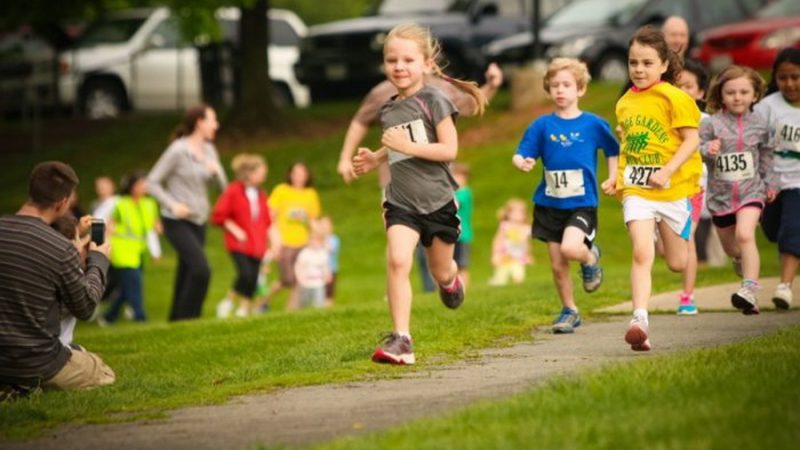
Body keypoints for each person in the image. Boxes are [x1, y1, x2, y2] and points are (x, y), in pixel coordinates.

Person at [353, 23, 485, 365]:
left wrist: (403, 145)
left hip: (439, 202)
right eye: (392, 60)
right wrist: (376, 157)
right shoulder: (388, 108)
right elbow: (398, 145)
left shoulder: (435, 100)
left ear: (426, 64)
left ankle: (450, 281)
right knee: (398, 260)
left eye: (408, 60)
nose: (399, 67)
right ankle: (402, 339)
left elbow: (449, 150)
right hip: (401, 201)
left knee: (440, 271)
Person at [512, 57, 619, 333]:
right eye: (555, 85)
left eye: (567, 85)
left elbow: (613, 150)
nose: (560, 90)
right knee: (558, 264)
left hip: (581, 204)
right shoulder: (541, 126)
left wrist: (614, 176)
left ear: (580, 89)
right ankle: (570, 310)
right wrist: (523, 162)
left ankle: (590, 258)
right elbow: (522, 153)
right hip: (549, 204)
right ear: (548, 90)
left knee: (572, 249)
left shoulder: (593, 124)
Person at [616, 26, 703, 351]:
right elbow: (628, 147)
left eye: (647, 63)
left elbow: (692, 139)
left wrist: (667, 170)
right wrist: (618, 178)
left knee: (677, 262)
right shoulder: (625, 103)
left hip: (673, 190)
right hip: (638, 191)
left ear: (664, 65)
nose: (639, 69)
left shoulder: (675, 97)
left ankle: (666, 233)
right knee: (641, 250)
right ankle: (639, 319)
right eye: (633, 62)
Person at [0, 161, 115, 393]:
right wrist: (98, 261)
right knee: (102, 371)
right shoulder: (59, 248)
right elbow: (86, 307)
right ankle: (26, 385)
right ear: (62, 202)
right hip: (37, 361)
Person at [701, 65, 775, 314]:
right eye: (731, 92)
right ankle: (740, 263)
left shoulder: (760, 124)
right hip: (720, 198)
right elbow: (696, 149)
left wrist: (769, 184)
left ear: (755, 95)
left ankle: (750, 290)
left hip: (750, 193)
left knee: (745, 235)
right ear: (721, 95)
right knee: (733, 248)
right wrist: (707, 149)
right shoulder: (712, 124)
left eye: (744, 92)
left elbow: (767, 153)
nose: (737, 97)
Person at [147, 104, 227, 321]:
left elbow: (223, 187)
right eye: (213, 120)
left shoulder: (210, 150)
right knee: (201, 270)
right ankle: (190, 319)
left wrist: (215, 172)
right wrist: (172, 205)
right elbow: (151, 182)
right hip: (176, 221)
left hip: (199, 221)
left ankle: (175, 321)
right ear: (200, 122)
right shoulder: (177, 150)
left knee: (186, 271)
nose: (216, 125)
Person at [757, 48, 800, 310]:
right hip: (772, 180)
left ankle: (784, 286)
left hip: (798, 181)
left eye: (796, 77)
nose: (790, 84)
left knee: (791, 230)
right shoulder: (767, 107)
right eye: (783, 78)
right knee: (772, 231)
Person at [212, 154, 272, 318]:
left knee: (253, 278)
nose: (264, 175)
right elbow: (218, 215)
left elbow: (266, 221)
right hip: (238, 244)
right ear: (250, 173)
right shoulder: (233, 190)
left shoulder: (261, 194)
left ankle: (244, 309)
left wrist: (271, 243)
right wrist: (234, 229)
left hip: (257, 245)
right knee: (245, 274)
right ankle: (228, 302)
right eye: (261, 171)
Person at [673, 58, 709, 315]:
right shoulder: (664, 116)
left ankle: (687, 296)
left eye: (689, 86)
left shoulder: (706, 121)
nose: (683, 91)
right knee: (668, 249)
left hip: (693, 187)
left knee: (688, 239)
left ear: (700, 92)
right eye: (678, 86)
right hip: (662, 188)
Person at [102, 170, 161, 324]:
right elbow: (109, 226)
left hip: (139, 250)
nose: (144, 186)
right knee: (135, 284)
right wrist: (107, 248)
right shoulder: (121, 204)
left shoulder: (150, 204)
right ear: (132, 186)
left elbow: (150, 229)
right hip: (122, 249)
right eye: (140, 183)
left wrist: (156, 251)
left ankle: (109, 317)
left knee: (127, 286)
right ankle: (140, 317)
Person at [267, 162, 321, 310]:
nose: (299, 177)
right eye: (296, 173)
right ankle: (262, 302)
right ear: (290, 175)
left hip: (303, 243)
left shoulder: (311, 194)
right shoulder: (281, 190)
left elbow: (313, 220)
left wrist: (318, 239)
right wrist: (274, 240)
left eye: (303, 173)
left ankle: (291, 311)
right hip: (284, 242)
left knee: (298, 280)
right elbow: (270, 216)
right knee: (287, 279)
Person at [488, 198, 533, 287]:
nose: (517, 215)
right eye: (514, 213)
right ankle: (495, 281)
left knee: (519, 276)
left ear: (525, 215)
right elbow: (498, 240)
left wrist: (528, 254)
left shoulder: (526, 228)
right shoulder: (505, 226)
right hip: (505, 256)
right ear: (508, 214)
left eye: (521, 213)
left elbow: (527, 244)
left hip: (518, 257)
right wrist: (495, 253)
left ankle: (518, 288)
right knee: (501, 277)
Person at [294, 219, 332, 309]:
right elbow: (298, 265)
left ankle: (318, 310)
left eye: (318, 241)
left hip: (319, 282)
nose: (315, 243)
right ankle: (302, 311)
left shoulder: (323, 253)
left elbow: (325, 266)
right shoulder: (305, 253)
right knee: (304, 301)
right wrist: (299, 276)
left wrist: (327, 274)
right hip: (306, 282)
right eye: (312, 240)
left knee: (318, 301)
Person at [452, 162, 474, 288]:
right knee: (451, 264)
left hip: (463, 235)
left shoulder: (465, 193)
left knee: (462, 265)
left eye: (458, 176)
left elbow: (456, 204)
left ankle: (463, 288)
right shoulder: (453, 193)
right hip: (452, 235)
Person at [318, 215, 341, 307]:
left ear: (331, 227)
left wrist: (323, 240)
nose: (324, 227)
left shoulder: (334, 239)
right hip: (319, 271)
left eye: (326, 224)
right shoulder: (316, 240)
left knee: (329, 293)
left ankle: (328, 309)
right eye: (322, 224)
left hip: (331, 270)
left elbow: (330, 249)